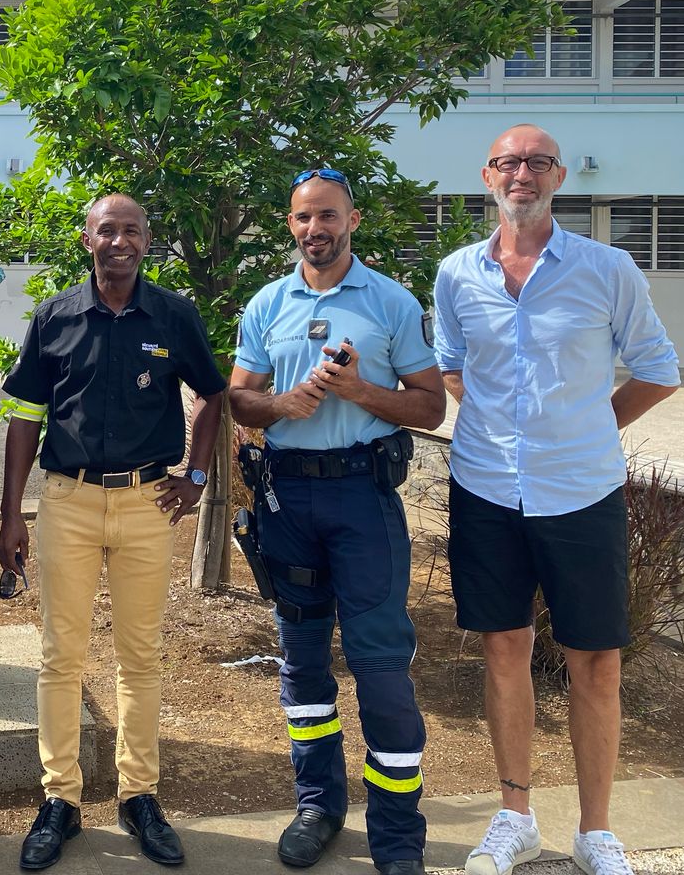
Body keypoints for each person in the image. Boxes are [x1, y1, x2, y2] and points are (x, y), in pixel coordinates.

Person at [434, 125, 679, 875]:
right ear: (488, 176)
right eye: (508, 162)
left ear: (559, 177)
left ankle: (595, 832)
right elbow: (450, 366)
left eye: (537, 163)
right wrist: (500, 429)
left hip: (581, 490)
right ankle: (516, 819)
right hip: (485, 487)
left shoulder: (607, 269)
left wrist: (587, 427)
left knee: (595, 660)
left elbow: (658, 368)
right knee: (504, 649)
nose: (523, 174)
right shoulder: (456, 273)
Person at [0, 193, 226, 871]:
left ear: (146, 241)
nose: (120, 241)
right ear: (87, 240)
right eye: (108, 230)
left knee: (141, 656)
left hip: (147, 503)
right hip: (67, 500)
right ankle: (60, 800)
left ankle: (139, 797)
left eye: (131, 230)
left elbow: (213, 394)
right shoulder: (55, 316)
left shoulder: (174, 315)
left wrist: (196, 476)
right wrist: (11, 512)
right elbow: (25, 416)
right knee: (60, 657)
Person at [228, 168, 444, 875]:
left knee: (380, 667)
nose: (314, 229)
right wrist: (279, 405)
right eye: (302, 217)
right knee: (302, 663)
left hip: (362, 499)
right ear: (290, 225)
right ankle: (318, 807)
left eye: (328, 215)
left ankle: (397, 836)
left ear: (352, 220)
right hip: (287, 500)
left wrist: (358, 390)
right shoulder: (268, 303)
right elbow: (239, 398)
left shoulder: (390, 301)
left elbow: (430, 405)